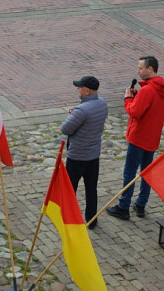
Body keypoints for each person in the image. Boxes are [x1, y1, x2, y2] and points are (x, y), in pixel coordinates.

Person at [106, 56, 164, 220]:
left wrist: (128, 99)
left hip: (139, 137)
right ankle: (141, 204)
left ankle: (123, 206)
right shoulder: (160, 88)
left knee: (130, 173)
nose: (138, 70)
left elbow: (135, 112)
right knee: (147, 172)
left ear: (150, 69)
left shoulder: (147, 90)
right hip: (152, 137)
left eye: (140, 67)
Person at [60, 75, 108, 227]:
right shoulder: (102, 103)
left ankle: (68, 218)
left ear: (86, 91)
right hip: (93, 155)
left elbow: (65, 129)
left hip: (77, 156)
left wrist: (73, 114)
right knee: (91, 188)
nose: (77, 89)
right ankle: (91, 219)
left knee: (70, 189)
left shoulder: (81, 110)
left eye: (79, 87)